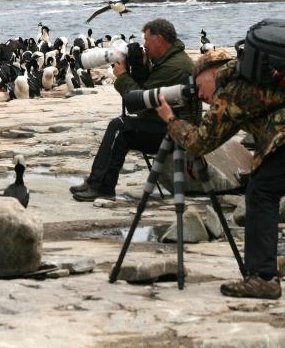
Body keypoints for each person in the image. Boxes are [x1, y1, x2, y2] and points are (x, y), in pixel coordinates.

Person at [156, 49, 285, 300]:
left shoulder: (231, 91)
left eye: (198, 82)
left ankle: (263, 279)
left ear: (212, 71)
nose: (200, 94)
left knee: (260, 195)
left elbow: (200, 143)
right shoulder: (250, 79)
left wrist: (171, 120)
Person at [71, 18, 195, 202]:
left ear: (159, 39)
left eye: (147, 40)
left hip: (175, 130)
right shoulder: (169, 60)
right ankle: (98, 183)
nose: (144, 45)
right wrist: (140, 66)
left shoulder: (174, 66)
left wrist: (121, 76)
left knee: (120, 126)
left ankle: (100, 186)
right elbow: (148, 90)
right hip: (166, 123)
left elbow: (138, 101)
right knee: (123, 130)